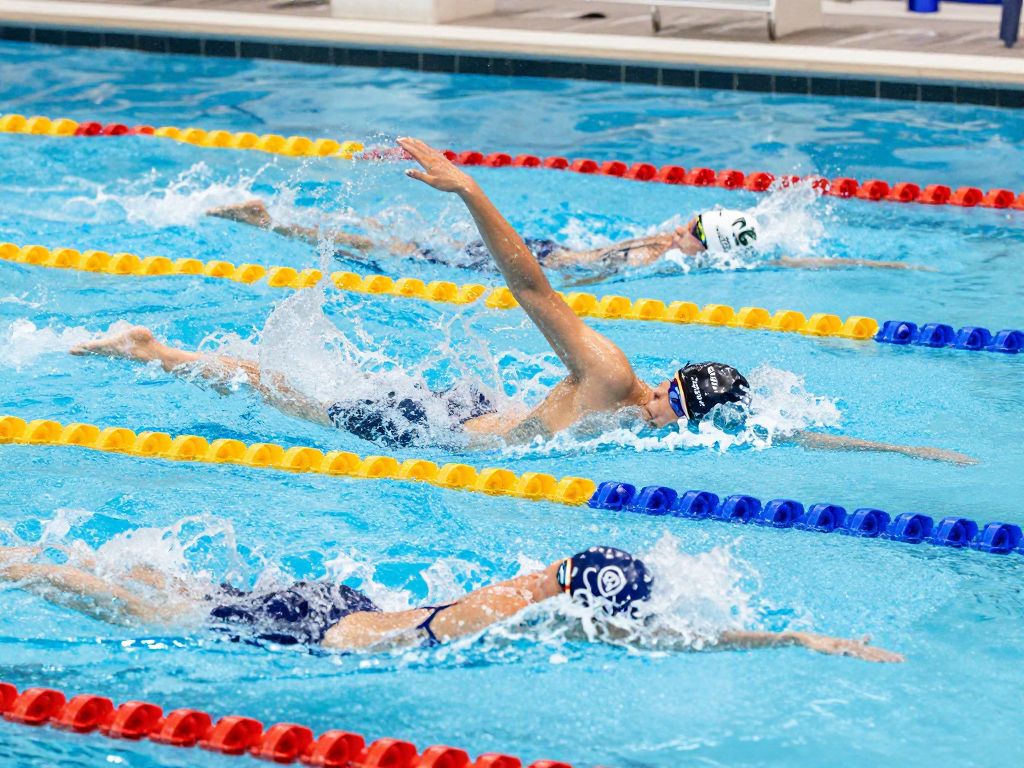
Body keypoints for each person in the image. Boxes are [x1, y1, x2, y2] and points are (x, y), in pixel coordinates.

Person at [70, 137, 974, 465]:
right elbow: (531, 286)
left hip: (466, 417)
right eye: (676, 416)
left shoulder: (656, 414)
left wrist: (897, 449)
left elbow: (780, 430)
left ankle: (170, 349)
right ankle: (158, 353)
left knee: (293, 382)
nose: (672, 425)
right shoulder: (615, 380)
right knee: (273, 389)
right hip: (425, 433)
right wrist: (467, 190)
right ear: (665, 398)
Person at [0, 543, 902, 662]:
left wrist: (788, 636)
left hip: (339, 599)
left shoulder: (543, 589)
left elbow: (674, 632)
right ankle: (22, 567)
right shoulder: (509, 606)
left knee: (174, 585)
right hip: (324, 629)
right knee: (131, 612)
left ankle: (41, 556)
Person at [207, 199, 922, 282]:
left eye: (696, 231)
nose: (684, 229)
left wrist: (872, 259)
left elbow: (792, 253)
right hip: (533, 258)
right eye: (691, 223)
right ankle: (276, 224)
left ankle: (280, 221)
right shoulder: (658, 253)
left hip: (542, 250)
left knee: (399, 243)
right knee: (395, 249)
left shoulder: (661, 251)